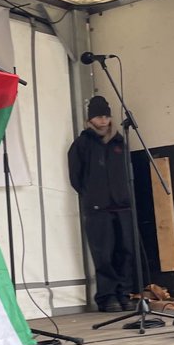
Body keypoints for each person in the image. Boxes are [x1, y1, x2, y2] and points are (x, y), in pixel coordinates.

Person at [68, 95, 135, 313]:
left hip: (123, 207)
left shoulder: (119, 142)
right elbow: (76, 177)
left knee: (124, 251)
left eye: (106, 116)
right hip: (98, 209)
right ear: (90, 120)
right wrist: (93, 196)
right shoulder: (81, 144)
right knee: (103, 255)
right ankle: (106, 297)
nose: (104, 121)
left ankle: (124, 293)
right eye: (99, 116)